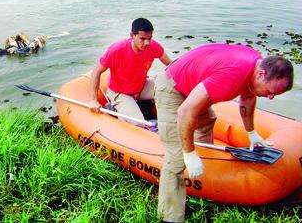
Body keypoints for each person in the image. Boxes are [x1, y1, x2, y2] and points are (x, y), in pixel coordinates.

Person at [154, 43, 294, 223]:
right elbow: (185, 112)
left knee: (206, 122)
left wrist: (251, 132)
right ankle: (170, 217)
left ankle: (203, 182)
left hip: (194, 85)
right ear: (261, 74)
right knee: (176, 158)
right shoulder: (232, 75)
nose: (271, 97)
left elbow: (248, 97)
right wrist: (188, 153)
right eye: (271, 92)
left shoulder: (255, 67)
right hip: (173, 88)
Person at [89, 18, 172, 125]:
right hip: (120, 92)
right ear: (132, 35)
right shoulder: (116, 50)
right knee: (139, 124)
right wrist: (93, 100)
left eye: (149, 38)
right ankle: (114, 109)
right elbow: (96, 71)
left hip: (141, 86)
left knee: (170, 90)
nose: (147, 43)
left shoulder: (153, 46)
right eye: (142, 38)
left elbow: (170, 65)